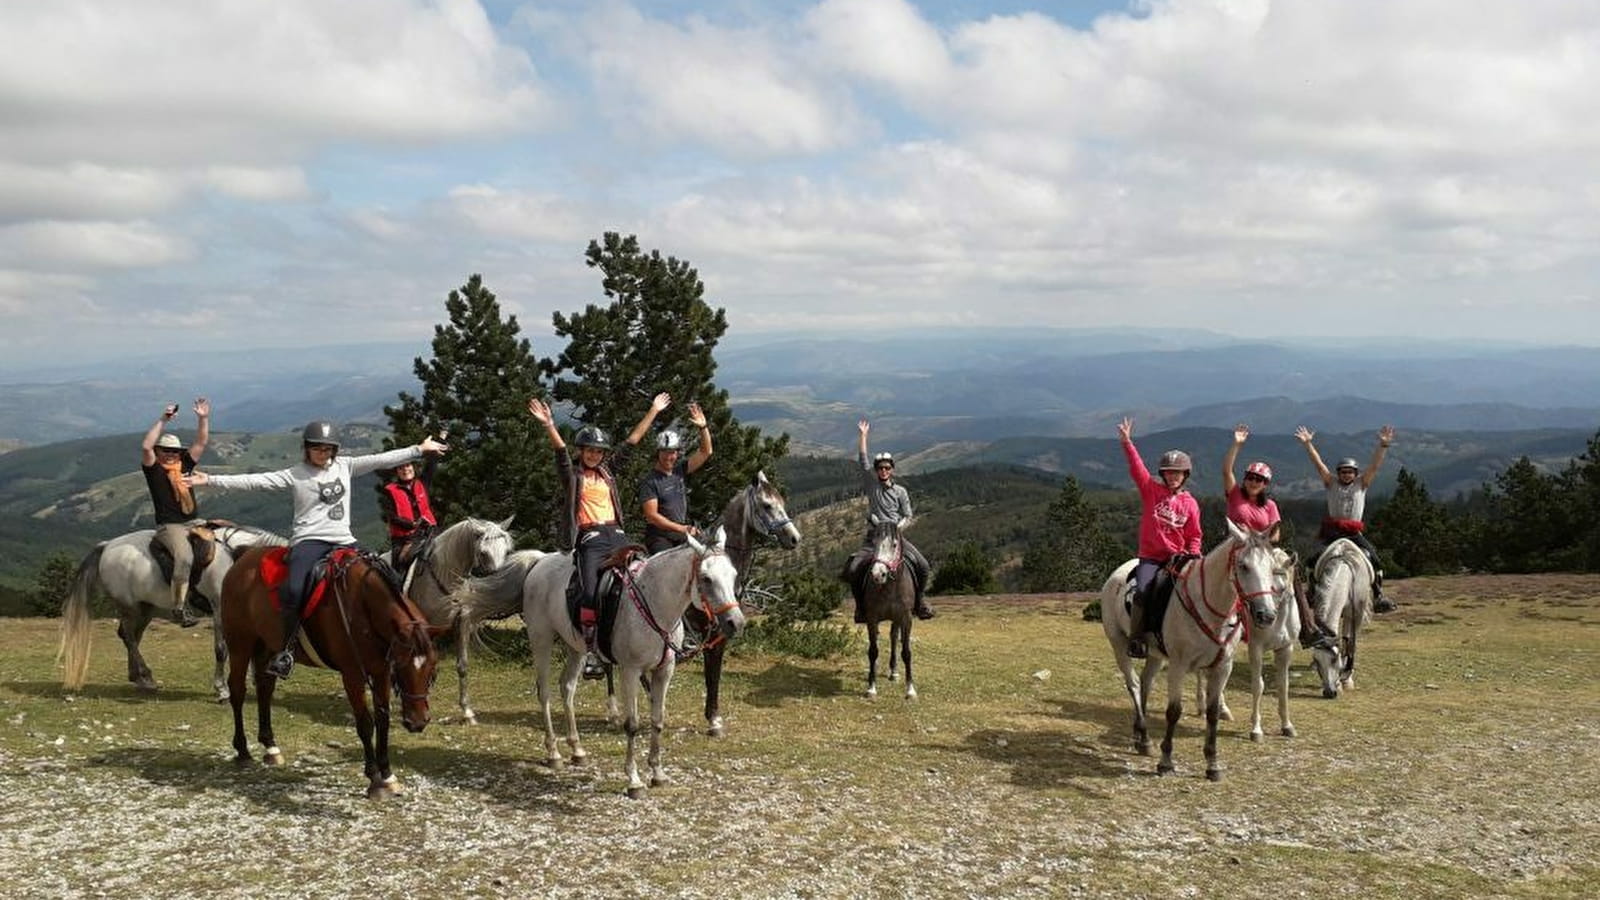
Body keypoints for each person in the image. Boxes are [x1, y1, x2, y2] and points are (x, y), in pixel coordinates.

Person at [186, 421, 447, 679]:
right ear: (307, 449)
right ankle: (285, 650)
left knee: (384, 577)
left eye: (327, 448)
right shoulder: (296, 474)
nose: (322, 453)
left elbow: (381, 459)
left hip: (344, 540)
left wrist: (419, 449)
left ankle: (390, 641)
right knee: (294, 589)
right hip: (309, 541)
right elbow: (254, 481)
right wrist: (209, 479)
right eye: (317, 448)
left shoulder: (346, 465)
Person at [527, 392, 670, 679]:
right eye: (589, 450)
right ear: (581, 451)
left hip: (617, 535)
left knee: (645, 582)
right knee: (590, 592)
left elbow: (632, 442)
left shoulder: (608, 473)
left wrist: (653, 410)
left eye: (599, 451)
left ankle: (650, 642)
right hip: (590, 539)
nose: (594, 455)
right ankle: (592, 652)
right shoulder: (573, 477)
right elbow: (560, 455)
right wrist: (548, 426)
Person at [1222, 424, 1335, 650]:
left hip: (1264, 550)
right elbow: (1226, 471)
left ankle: (1307, 627)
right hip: (1234, 547)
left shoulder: (1270, 505)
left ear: (1266, 485)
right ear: (1245, 479)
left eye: (1260, 479)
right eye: (1251, 477)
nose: (1254, 481)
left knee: (1292, 578)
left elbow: (1276, 533)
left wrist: (1263, 538)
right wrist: (1236, 444)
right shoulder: (1235, 495)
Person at [1118, 416, 1202, 659]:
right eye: (1169, 473)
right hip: (1152, 559)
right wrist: (1127, 443)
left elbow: (1194, 534)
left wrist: (1194, 554)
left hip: (1180, 558)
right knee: (1143, 591)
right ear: (1163, 474)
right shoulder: (1151, 491)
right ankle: (1137, 638)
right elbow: (1138, 470)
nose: (1173, 477)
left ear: (1185, 475)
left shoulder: (1191, 504)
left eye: (1177, 473)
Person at [1296, 424, 1396, 612]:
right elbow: (1319, 465)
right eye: (1343, 471)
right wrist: (1308, 444)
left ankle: (1378, 594)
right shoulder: (1330, 482)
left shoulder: (1362, 484)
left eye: (1350, 471)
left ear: (1355, 474)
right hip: (1333, 532)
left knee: (1374, 558)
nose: (1346, 474)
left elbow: (1375, 465)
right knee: (1313, 559)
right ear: (1338, 473)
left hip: (1353, 533)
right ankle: (1311, 592)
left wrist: (1383, 446)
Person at [851, 419, 935, 620]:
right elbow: (862, 460)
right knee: (854, 568)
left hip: (896, 536)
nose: (883, 471)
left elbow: (908, 514)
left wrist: (899, 525)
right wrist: (863, 435)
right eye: (880, 468)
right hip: (875, 536)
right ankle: (861, 608)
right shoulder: (872, 484)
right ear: (877, 470)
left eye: (887, 468)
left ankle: (919, 603)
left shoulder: (900, 492)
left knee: (922, 566)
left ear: (892, 469)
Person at [140, 397, 211, 626]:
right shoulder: (154, 470)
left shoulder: (185, 466)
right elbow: (145, 446)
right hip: (170, 526)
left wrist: (203, 418)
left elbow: (201, 442)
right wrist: (164, 419)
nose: (170, 454)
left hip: (194, 521)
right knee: (185, 557)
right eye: (166, 450)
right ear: (159, 452)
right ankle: (179, 608)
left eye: (174, 451)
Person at [639, 403, 713, 555]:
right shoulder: (650, 481)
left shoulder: (679, 471)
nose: (669, 456)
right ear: (658, 453)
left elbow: (706, 452)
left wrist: (703, 428)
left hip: (681, 533)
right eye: (665, 452)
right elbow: (652, 516)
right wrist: (683, 529)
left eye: (672, 452)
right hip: (659, 537)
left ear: (677, 453)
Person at [376, 438, 442, 571]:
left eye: (408, 466)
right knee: (400, 565)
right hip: (405, 539)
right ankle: (400, 590)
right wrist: (412, 525)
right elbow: (392, 517)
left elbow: (431, 465)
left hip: (430, 532)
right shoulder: (390, 491)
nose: (405, 470)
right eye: (401, 467)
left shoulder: (422, 483)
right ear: (396, 472)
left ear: (413, 467)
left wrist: (440, 441)